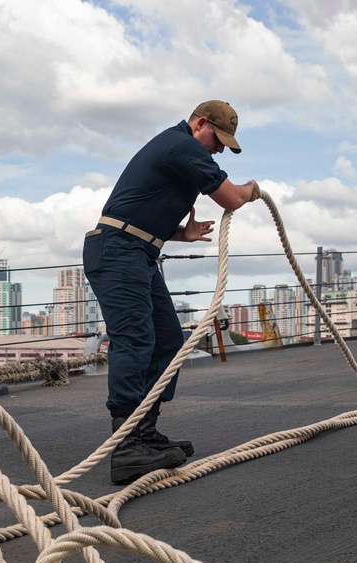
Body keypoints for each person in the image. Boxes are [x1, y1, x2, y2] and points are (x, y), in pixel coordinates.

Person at [83, 100, 261, 484]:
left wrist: (184, 234)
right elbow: (231, 196)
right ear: (199, 124)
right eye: (218, 139)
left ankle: (145, 431)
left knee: (168, 339)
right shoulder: (180, 145)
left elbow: (142, 209)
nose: (218, 149)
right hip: (117, 251)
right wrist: (252, 189)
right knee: (134, 339)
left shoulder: (179, 150)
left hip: (141, 251)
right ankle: (127, 446)